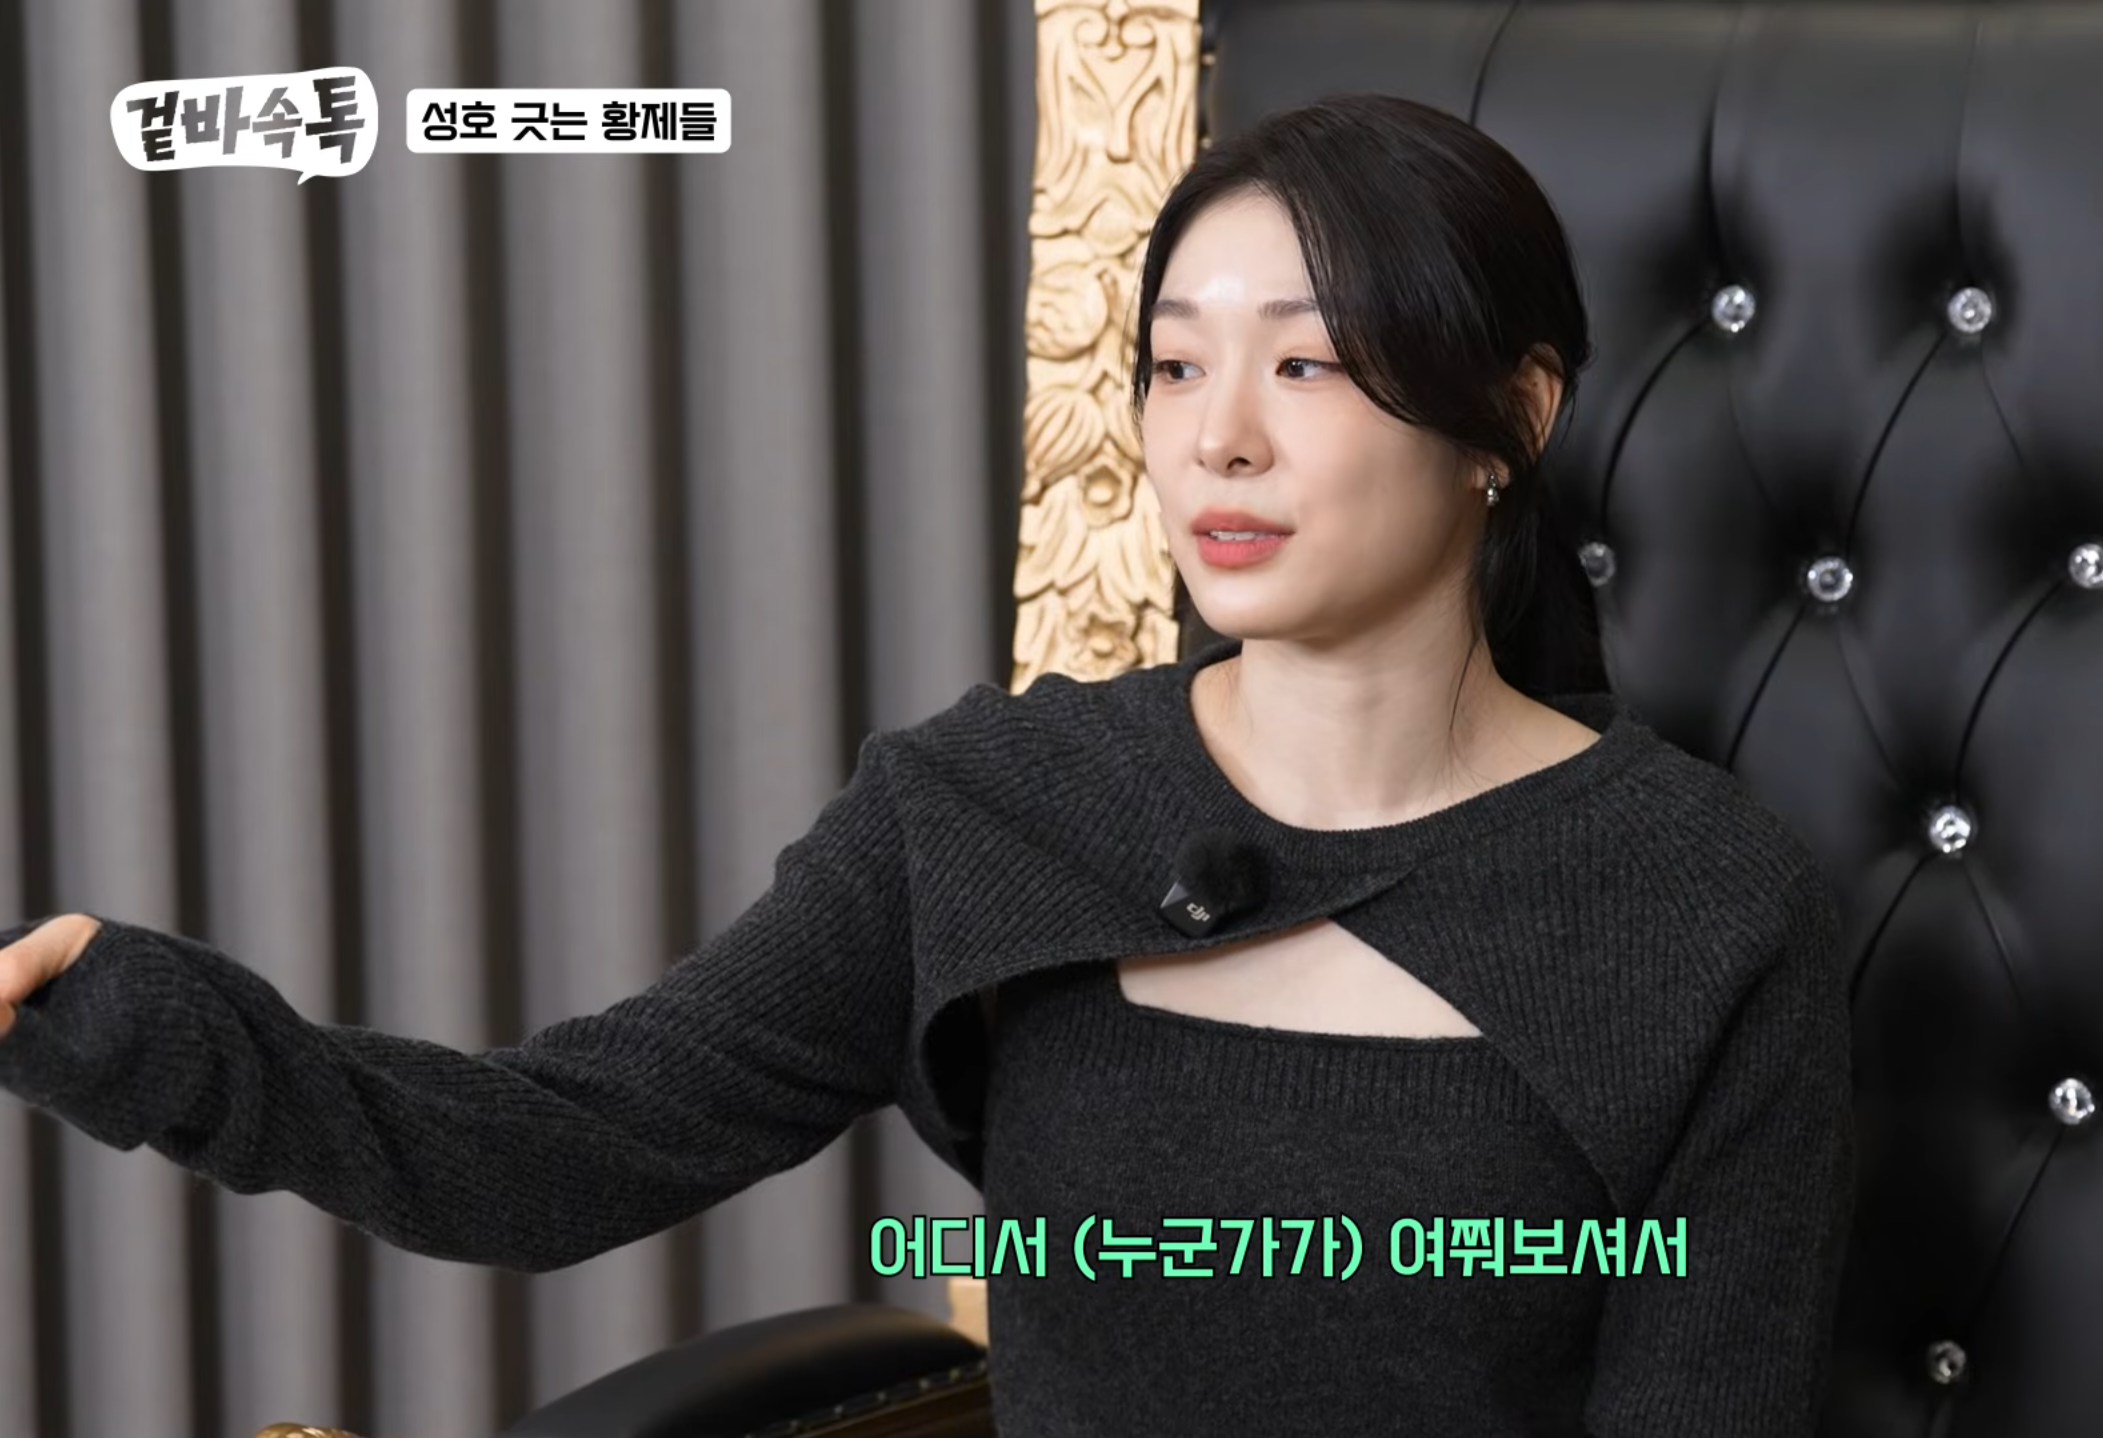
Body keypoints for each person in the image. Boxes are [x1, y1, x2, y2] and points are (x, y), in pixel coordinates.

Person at [0, 93, 1851, 1437]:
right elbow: (553, 1149)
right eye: (1173, 366)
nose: (1216, 440)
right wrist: (123, 1018)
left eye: (1304, 367)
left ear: (1511, 415)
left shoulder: (1699, 907)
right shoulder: (987, 811)